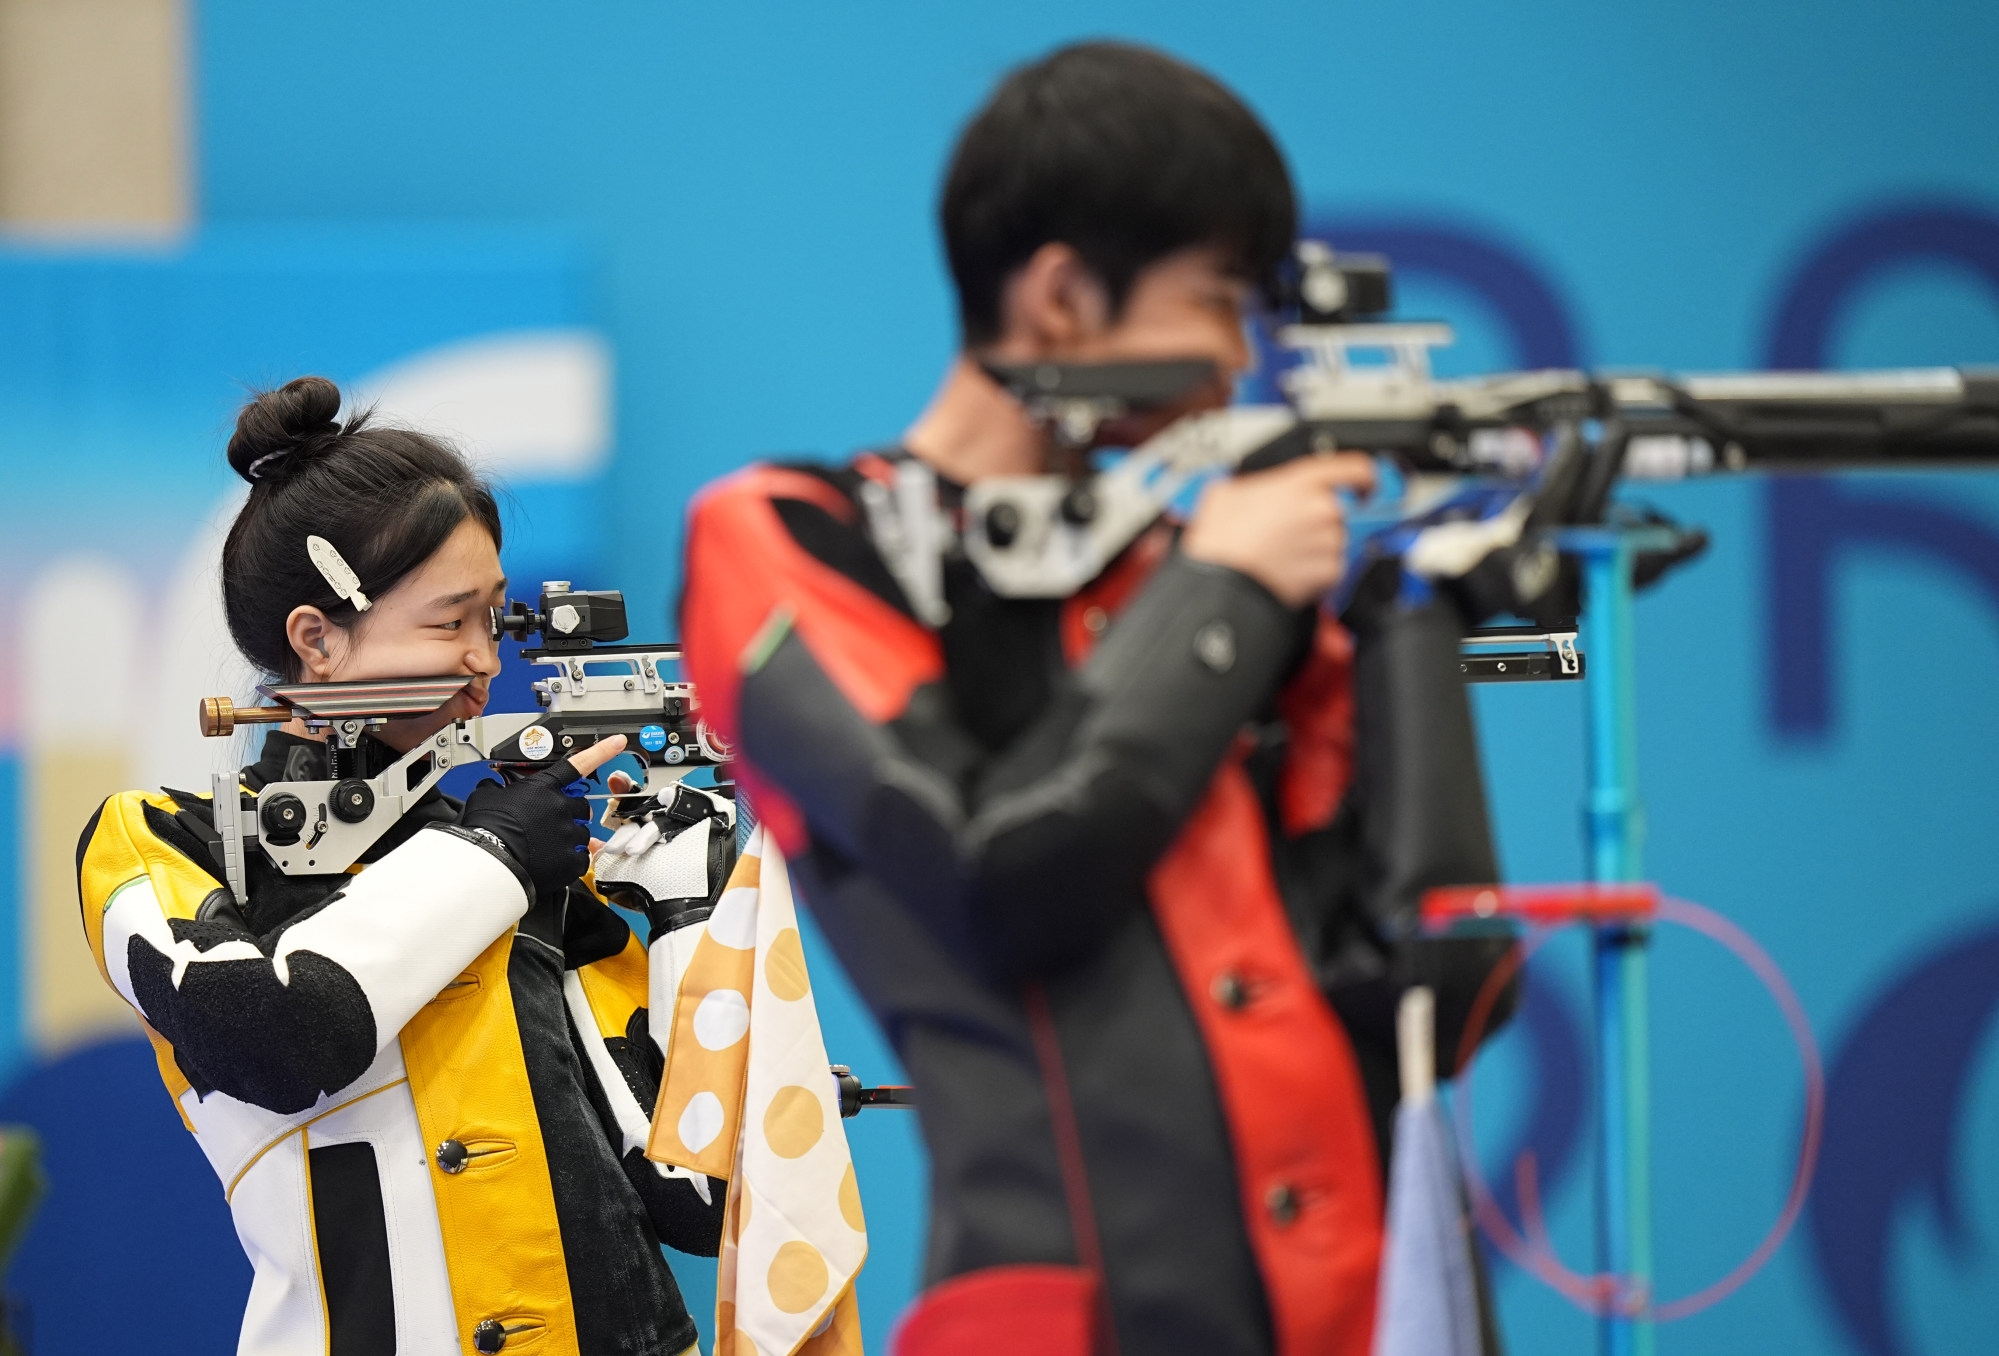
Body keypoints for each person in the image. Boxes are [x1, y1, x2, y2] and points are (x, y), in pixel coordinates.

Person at [677, 41, 1514, 1356]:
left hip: (1376, 1312)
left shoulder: (1175, 573)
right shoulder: (787, 537)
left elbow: (1436, 996)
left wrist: (1405, 612)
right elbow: (985, 878)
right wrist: (1224, 591)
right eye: (1217, 301)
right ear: (1062, 296)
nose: (1238, 362)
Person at [76, 377, 733, 1356]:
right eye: (447, 621)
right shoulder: (161, 841)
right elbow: (282, 1035)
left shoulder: (533, 860)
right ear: (318, 639)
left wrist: (693, 920)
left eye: (494, 621)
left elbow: (700, 1200)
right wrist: (494, 856)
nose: (481, 662)